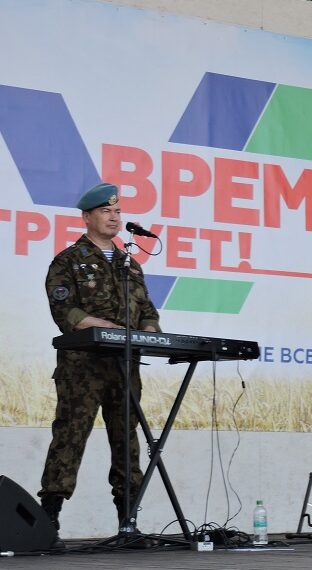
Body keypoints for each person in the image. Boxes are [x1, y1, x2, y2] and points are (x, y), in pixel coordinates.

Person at [39, 182, 161, 548]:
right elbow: (64, 309)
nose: (114, 217)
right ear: (88, 217)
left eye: (118, 212)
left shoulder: (130, 265)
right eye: (107, 212)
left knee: (128, 441)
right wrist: (101, 325)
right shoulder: (68, 261)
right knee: (70, 437)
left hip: (124, 366)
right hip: (83, 366)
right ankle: (48, 522)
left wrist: (150, 332)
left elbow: (148, 313)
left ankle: (128, 524)